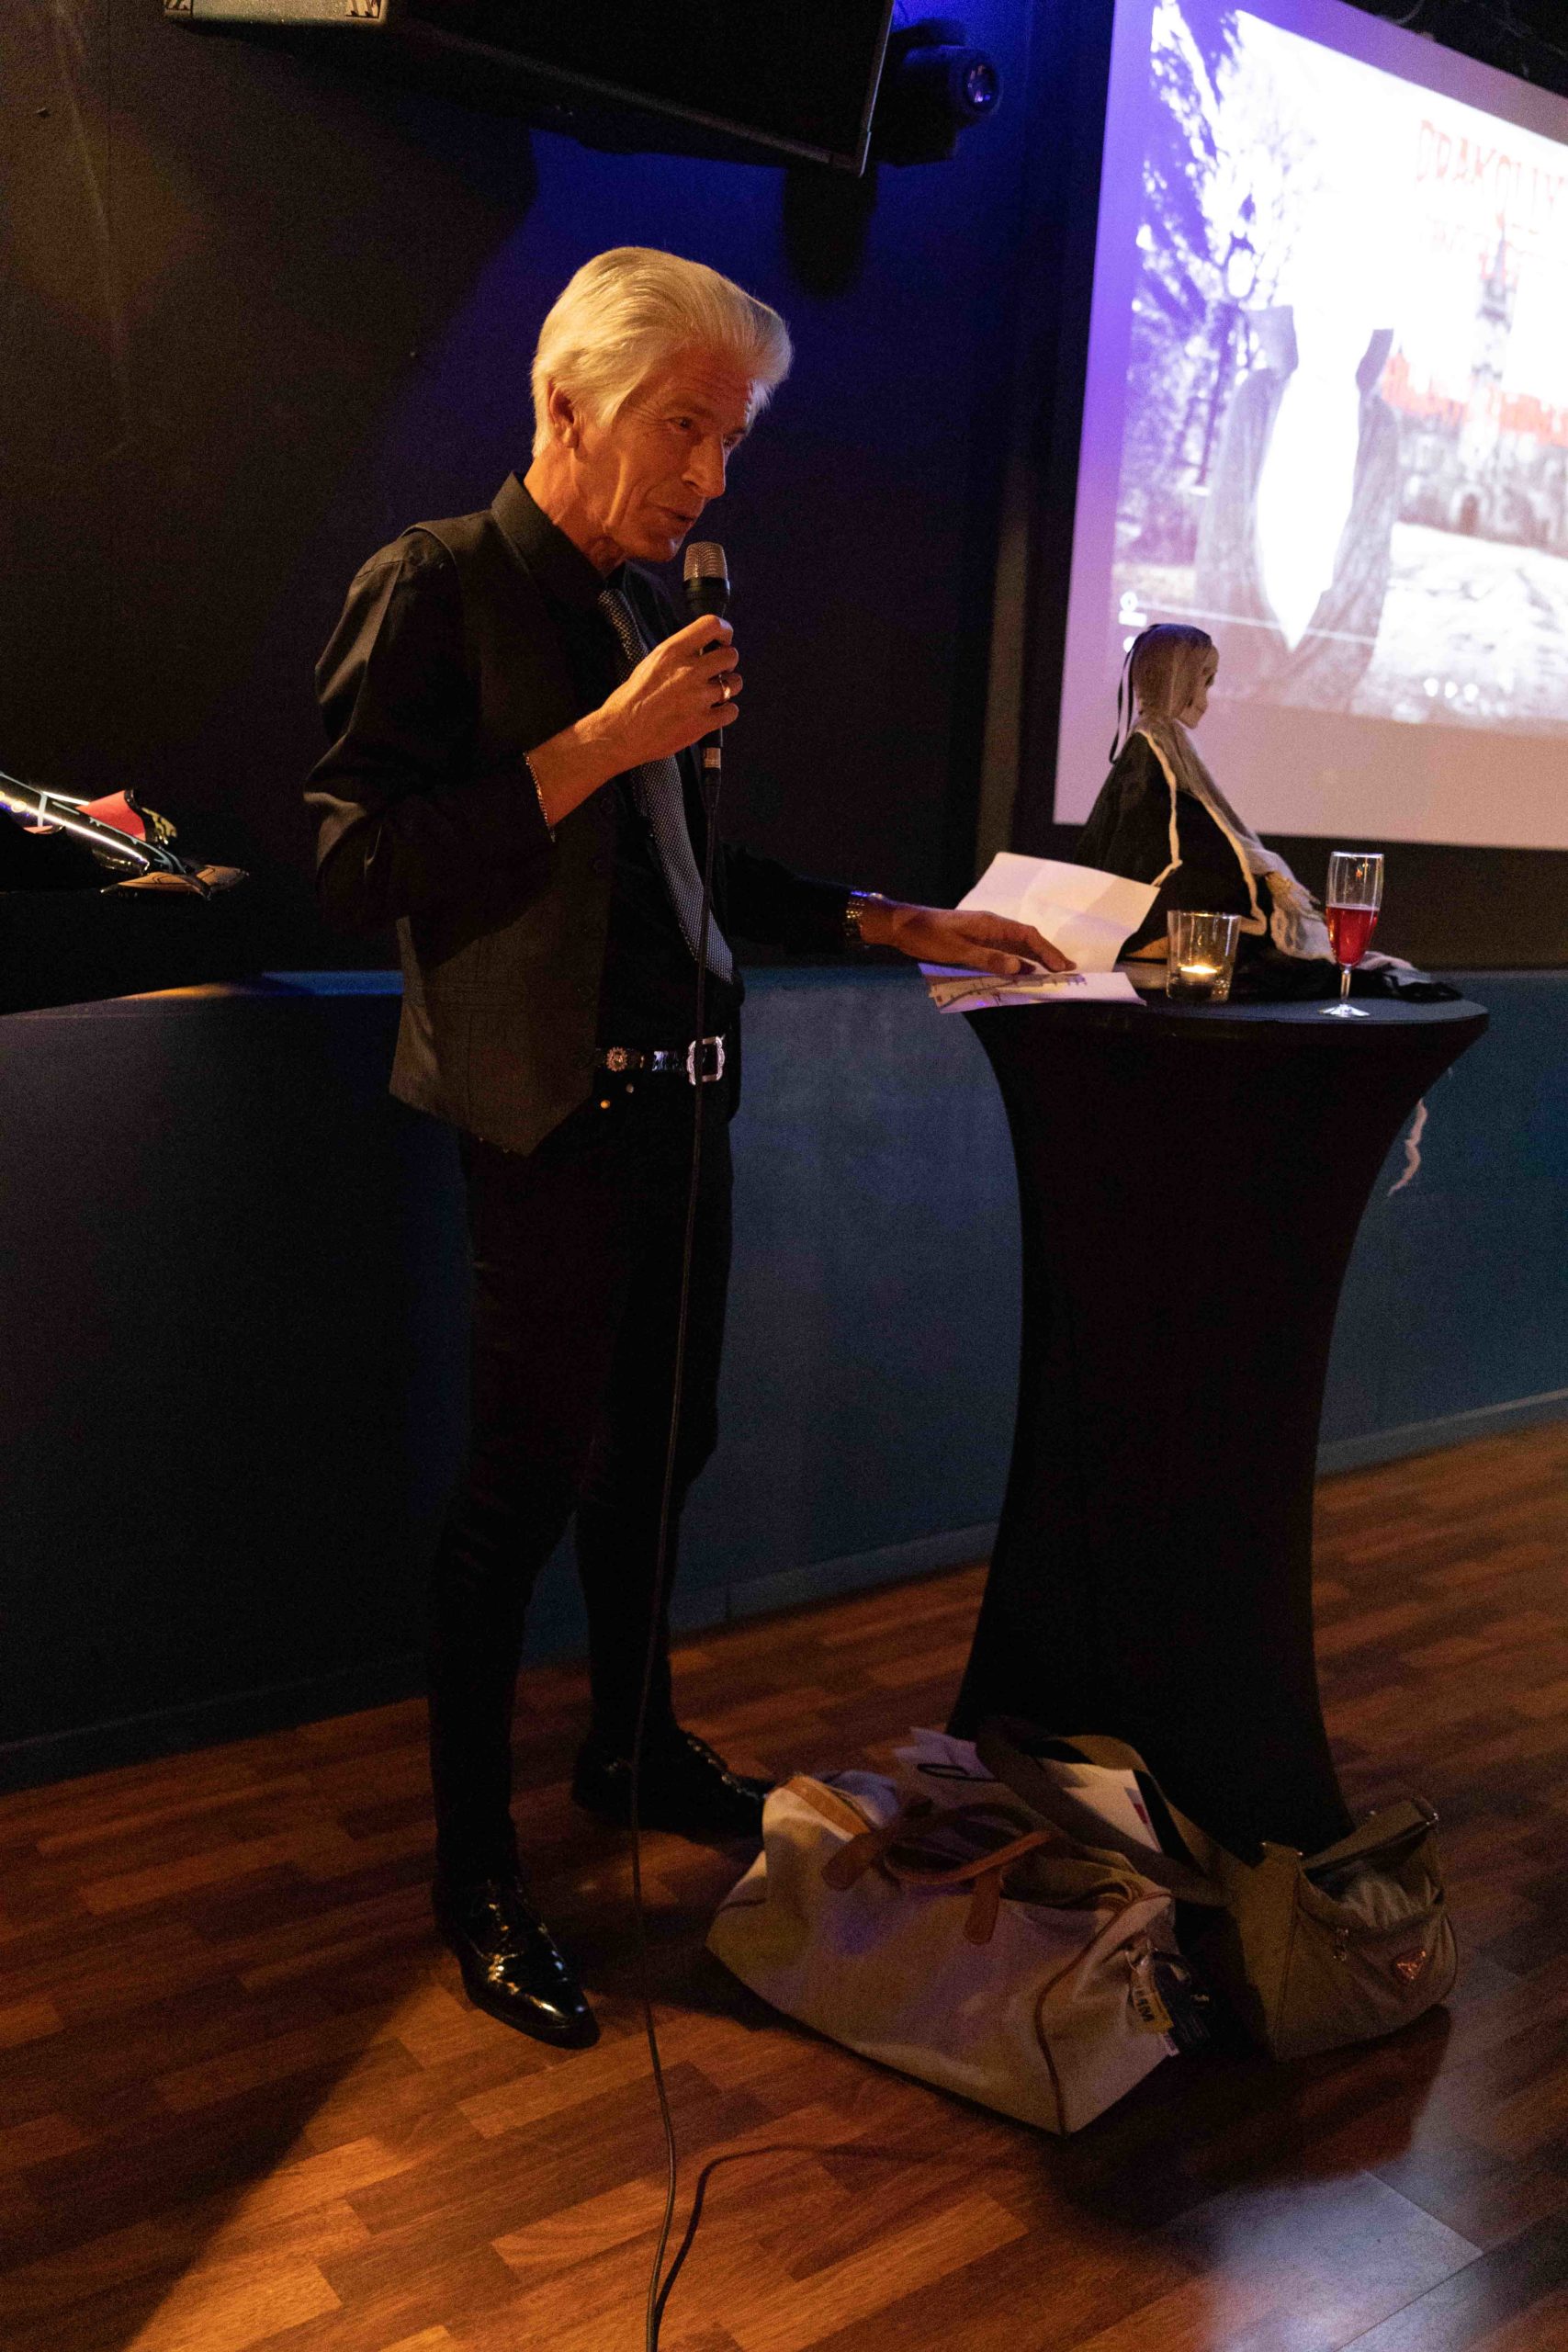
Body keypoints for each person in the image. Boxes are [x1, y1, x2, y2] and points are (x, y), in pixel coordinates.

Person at [305, 246, 1067, 2051]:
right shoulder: (436, 584)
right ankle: (476, 1876)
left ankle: (630, 1746)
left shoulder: (640, 611)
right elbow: (357, 860)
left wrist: (898, 919)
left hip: (687, 1100)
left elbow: (681, 876)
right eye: (684, 428)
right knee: (517, 1492)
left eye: (732, 439)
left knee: (662, 1453)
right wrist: (594, 741)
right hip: (547, 1116)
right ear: (567, 401)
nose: (710, 477)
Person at [1075, 621, 1333, 978]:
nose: (1206, 700)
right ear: (1176, 680)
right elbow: (1155, 845)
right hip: (1154, 923)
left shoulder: (1163, 742)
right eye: (1204, 682)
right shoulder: (1151, 747)